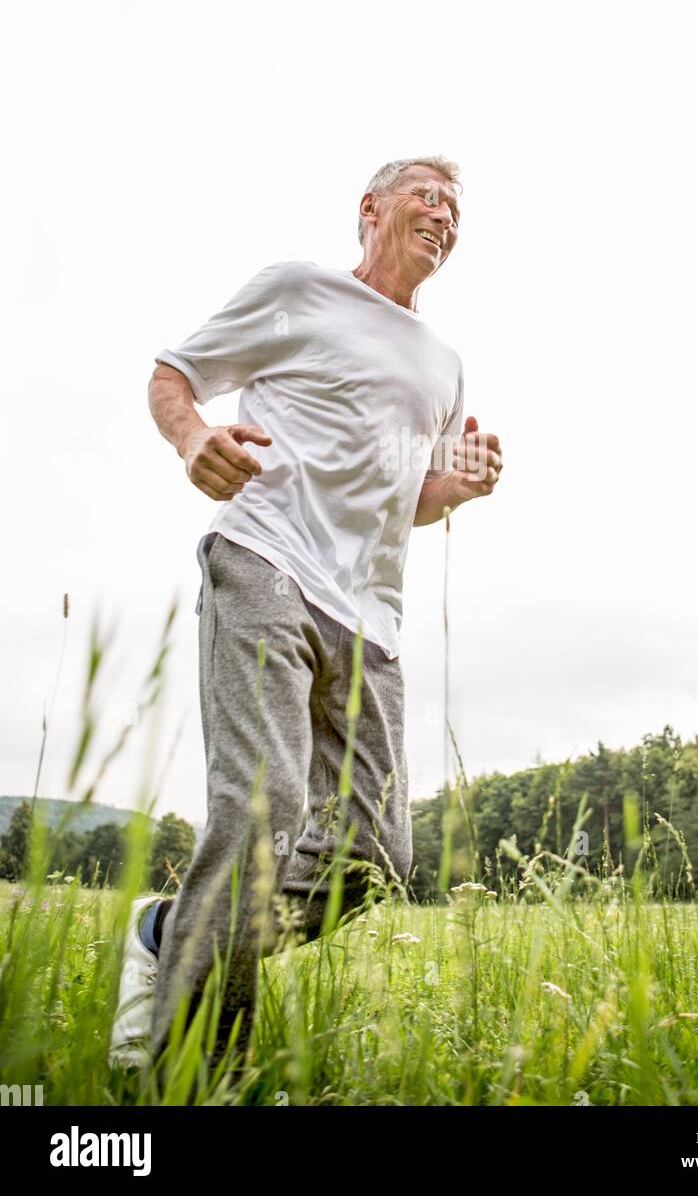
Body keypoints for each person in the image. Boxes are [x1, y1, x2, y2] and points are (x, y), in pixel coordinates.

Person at [109, 156, 503, 1072]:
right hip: (267, 562)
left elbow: (415, 492)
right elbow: (175, 373)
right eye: (427, 197)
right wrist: (193, 437)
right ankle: (199, 1074)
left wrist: (464, 485)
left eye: (456, 209)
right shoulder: (301, 290)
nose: (444, 216)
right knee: (263, 809)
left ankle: (172, 933)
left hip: (371, 618)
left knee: (372, 857)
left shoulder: (444, 364)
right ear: (370, 209)